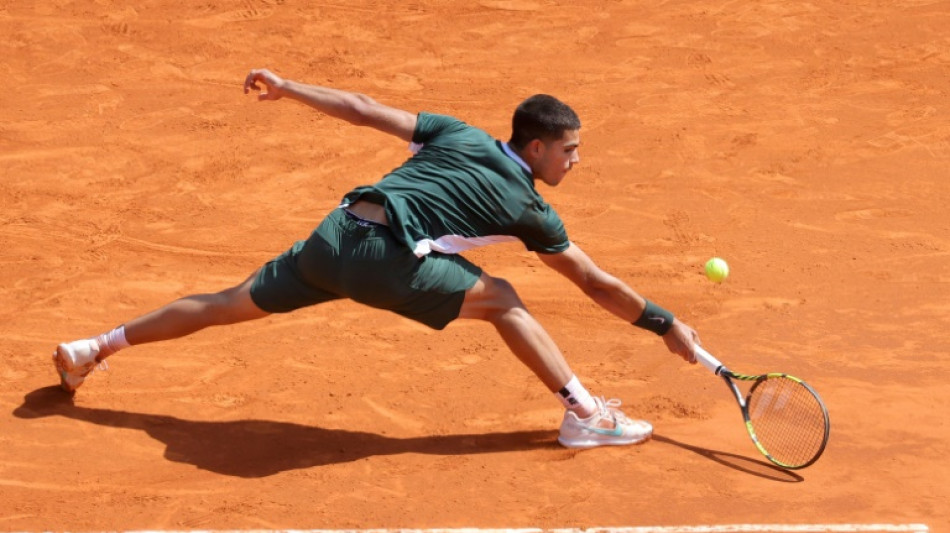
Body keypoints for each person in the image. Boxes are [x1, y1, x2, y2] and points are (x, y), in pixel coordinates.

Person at [53, 68, 701, 449]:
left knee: (228, 303)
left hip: (334, 236)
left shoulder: (459, 132)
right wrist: (665, 323)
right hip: (383, 258)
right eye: (569, 151)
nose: (576, 161)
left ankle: (94, 347)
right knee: (503, 299)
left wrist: (289, 87)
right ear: (534, 149)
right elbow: (592, 281)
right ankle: (586, 417)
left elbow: (363, 110)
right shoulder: (531, 210)